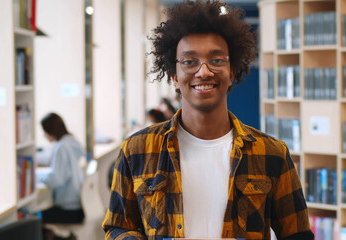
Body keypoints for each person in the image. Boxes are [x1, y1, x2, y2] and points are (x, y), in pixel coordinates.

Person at [102, 1, 314, 240]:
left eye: (216, 60)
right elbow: (117, 227)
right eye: (190, 61)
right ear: (174, 75)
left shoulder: (272, 154)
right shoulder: (136, 150)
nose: (204, 71)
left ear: (232, 72)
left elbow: (298, 234)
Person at [38, 113, 85, 228]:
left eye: (45, 131)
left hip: (69, 210)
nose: (44, 135)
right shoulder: (72, 141)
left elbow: (56, 179)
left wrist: (37, 175)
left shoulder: (61, 147)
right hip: (79, 206)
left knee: (34, 217)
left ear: (50, 130)